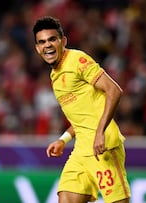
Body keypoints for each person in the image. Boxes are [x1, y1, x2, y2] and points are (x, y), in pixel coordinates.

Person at [33, 16, 131, 203]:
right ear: (37, 48)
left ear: (63, 41)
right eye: (42, 42)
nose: (48, 45)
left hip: (103, 148)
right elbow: (82, 117)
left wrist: (100, 132)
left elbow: (114, 90)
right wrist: (64, 139)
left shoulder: (77, 60)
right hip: (81, 151)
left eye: (52, 39)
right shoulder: (54, 75)